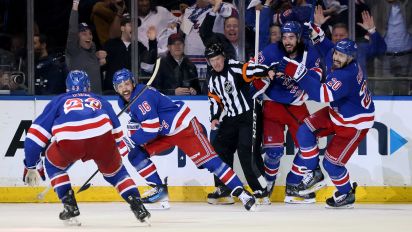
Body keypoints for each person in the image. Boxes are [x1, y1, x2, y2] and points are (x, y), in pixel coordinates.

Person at [112, 68, 257, 211]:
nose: (124, 88)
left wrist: (132, 139)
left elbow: (150, 130)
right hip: (165, 132)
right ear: (116, 89)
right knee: (136, 155)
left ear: (133, 82)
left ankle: (243, 194)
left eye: (126, 83)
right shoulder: (125, 102)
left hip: (183, 127)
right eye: (120, 86)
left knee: (212, 163)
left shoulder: (141, 98)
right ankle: (160, 191)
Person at [22, 70, 150, 225]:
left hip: (70, 140)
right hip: (102, 138)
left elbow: (34, 138)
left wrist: (30, 165)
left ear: (67, 89)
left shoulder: (59, 100)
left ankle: (69, 204)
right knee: (116, 172)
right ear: (88, 87)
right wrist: (112, 156)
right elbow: (116, 132)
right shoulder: (100, 99)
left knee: (53, 163)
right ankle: (137, 205)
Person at [277, 24, 375, 208]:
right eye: (337, 53)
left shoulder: (346, 75)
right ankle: (315, 172)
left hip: (353, 125)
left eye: (341, 56)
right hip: (338, 113)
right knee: (305, 129)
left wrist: (299, 73)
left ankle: (346, 194)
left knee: (332, 164)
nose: (336, 58)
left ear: (350, 58)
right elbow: (328, 49)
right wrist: (318, 35)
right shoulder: (341, 59)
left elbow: (320, 95)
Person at [256, 21, 323, 204]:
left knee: (308, 147)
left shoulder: (310, 53)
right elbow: (253, 70)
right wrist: (264, 72)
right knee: (274, 152)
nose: (287, 41)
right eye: (284, 37)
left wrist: (300, 74)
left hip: (297, 105)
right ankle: (267, 185)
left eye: (291, 37)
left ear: (299, 38)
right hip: (273, 105)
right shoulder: (271, 51)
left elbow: (316, 79)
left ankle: (293, 186)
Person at [205, 43, 274, 205]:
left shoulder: (234, 67)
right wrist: (215, 117)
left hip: (248, 115)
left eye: (218, 59)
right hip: (231, 117)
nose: (216, 63)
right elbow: (214, 99)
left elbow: (250, 70)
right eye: (212, 60)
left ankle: (260, 191)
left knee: (246, 152)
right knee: (220, 148)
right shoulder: (212, 77)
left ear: (223, 57)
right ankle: (224, 188)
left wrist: (266, 70)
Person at [102, 15, 158, 93]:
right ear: (122, 28)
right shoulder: (110, 44)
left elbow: (149, 62)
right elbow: (102, 65)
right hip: (111, 90)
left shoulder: (139, 46)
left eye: (135, 26)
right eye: (131, 25)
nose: (134, 28)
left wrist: (152, 41)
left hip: (131, 90)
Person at [66, 0, 106, 94]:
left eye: (90, 34)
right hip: (79, 99)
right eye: (84, 34)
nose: (89, 36)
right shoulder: (74, 49)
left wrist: (99, 61)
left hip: (97, 99)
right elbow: (72, 29)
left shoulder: (92, 49)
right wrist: (75, 5)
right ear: (77, 37)